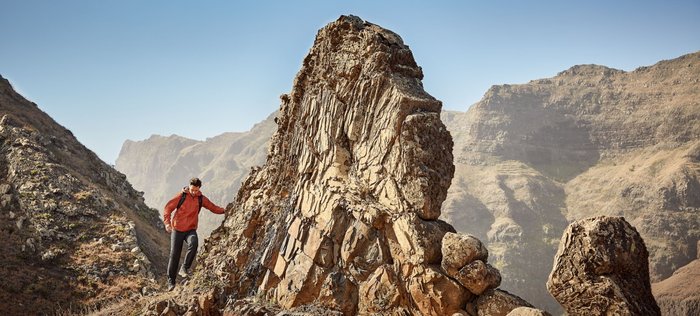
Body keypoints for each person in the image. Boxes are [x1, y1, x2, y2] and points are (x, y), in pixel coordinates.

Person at [163, 177, 225, 291]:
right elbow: (168, 208)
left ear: (199, 189)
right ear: (189, 186)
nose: (193, 192)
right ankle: (171, 282)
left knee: (194, 243)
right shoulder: (181, 196)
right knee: (174, 255)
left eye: (196, 190)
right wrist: (167, 223)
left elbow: (212, 207)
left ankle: (185, 268)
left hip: (190, 229)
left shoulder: (201, 199)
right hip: (177, 229)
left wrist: (225, 210)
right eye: (192, 189)